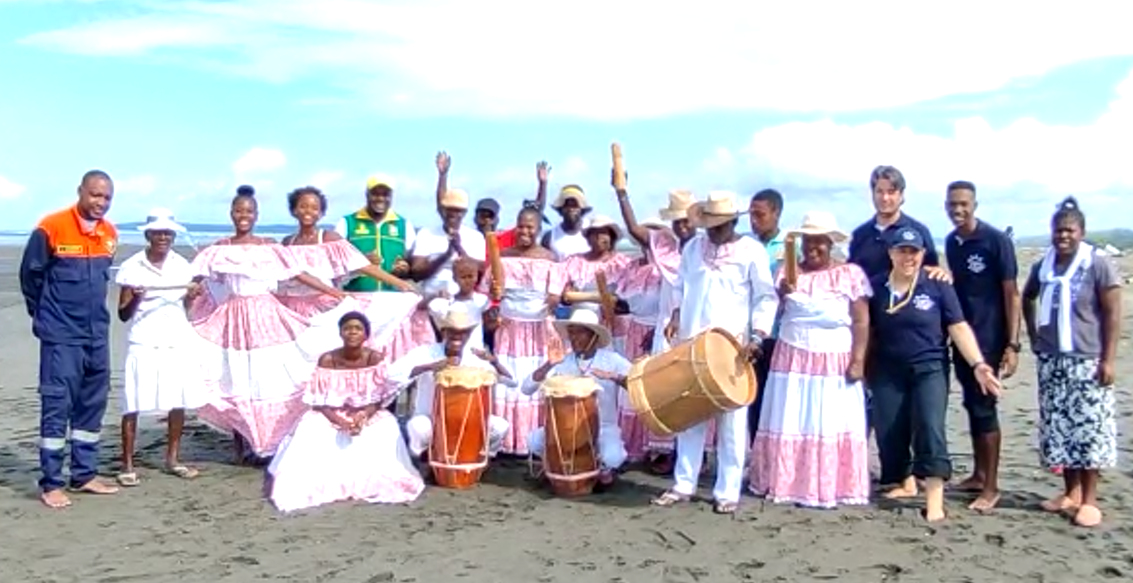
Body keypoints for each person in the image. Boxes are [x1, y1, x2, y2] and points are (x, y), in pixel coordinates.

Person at [189, 189, 344, 463]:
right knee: (234, 378)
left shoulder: (269, 245)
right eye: (238, 211)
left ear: (256, 215)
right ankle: (240, 445)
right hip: (233, 317)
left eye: (248, 211)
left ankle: (272, 440)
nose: (243, 216)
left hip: (266, 315)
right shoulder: (219, 248)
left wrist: (332, 293)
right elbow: (197, 278)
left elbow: (297, 273)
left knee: (270, 376)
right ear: (231, 214)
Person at [653, 191, 779, 514]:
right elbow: (681, 286)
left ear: (733, 222)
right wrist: (677, 316)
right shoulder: (694, 248)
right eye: (709, 224)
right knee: (690, 416)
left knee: (732, 422)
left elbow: (765, 297)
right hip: (693, 342)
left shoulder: (751, 251)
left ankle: (727, 491)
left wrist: (759, 336)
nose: (712, 230)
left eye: (719, 225)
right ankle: (684, 483)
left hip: (732, 347)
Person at [868, 226, 1001, 522]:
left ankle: (935, 499)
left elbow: (958, 326)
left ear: (922, 254)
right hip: (888, 369)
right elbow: (865, 329)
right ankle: (905, 482)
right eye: (901, 250)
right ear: (890, 253)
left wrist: (979, 364)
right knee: (890, 429)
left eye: (913, 252)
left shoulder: (936, 284)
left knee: (930, 426)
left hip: (929, 367)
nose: (908, 257)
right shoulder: (877, 287)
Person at [748, 211, 871, 508]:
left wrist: (858, 360)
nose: (814, 247)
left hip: (833, 361)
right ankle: (788, 482)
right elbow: (770, 313)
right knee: (792, 420)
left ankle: (832, 484)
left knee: (829, 422)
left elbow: (861, 321)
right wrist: (780, 293)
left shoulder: (850, 274)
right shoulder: (787, 273)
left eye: (821, 242)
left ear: (831, 244)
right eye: (809, 241)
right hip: (792, 360)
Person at [19, 170, 122, 508]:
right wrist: (44, 317)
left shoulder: (110, 234)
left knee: (92, 404)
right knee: (57, 405)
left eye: (106, 197)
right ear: (80, 191)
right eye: (95, 195)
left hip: (97, 334)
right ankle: (51, 483)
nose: (100, 203)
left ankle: (84, 474)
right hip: (61, 335)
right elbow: (30, 276)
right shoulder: (51, 227)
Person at [1022, 197, 1121, 528]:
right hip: (1053, 360)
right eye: (1057, 230)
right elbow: (1027, 297)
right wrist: (1035, 338)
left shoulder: (1097, 264)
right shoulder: (1045, 265)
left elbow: (1112, 312)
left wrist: (1108, 358)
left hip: (1087, 359)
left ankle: (1090, 500)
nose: (1062, 236)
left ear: (1081, 232)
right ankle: (1070, 492)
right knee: (1059, 429)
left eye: (1069, 230)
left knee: (1089, 430)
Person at [268, 312, 425, 512]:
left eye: (358, 329)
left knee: (387, 427)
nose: (352, 332)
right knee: (310, 428)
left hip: (366, 413)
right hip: (331, 414)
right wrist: (339, 421)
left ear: (366, 335)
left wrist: (363, 416)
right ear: (340, 333)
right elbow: (319, 402)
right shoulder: (328, 359)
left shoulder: (375, 358)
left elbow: (380, 398)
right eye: (347, 328)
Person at [113, 208, 207, 487]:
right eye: (158, 232)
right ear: (148, 234)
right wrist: (136, 298)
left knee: (177, 400)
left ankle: (173, 458)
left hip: (177, 338)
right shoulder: (132, 266)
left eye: (168, 232)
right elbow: (123, 314)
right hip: (143, 339)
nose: (163, 237)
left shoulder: (184, 266)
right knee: (133, 402)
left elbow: (187, 308)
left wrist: (192, 296)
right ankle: (127, 464)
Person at [943, 181, 1021, 511]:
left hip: (991, 338)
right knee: (971, 405)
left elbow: (1011, 293)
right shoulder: (952, 242)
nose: (958, 210)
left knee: (985, 407)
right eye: (952, 205)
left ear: (975, 205)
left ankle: (991, 487)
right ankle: (978, 474)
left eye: (963, 204)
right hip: (964, 338)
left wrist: (1013, 344)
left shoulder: (995, 241)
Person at [614, 183, 697, 471]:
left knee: (691, 391)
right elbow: (635, 229)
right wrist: (622, 193)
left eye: (687, 220)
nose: (683, 226)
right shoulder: (666, 247)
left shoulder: (704, 248)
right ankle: (662, 449)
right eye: (678, 221)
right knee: (665, 389)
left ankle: (687, 453)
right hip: (667, 326)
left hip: (697, 324)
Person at [477, 207, 564, 455]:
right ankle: (507, 442)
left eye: (530, 227)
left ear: (538, 229)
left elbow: (556, 293)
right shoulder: (501, 257)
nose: (525, 231)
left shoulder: (549, 259)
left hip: (538, 330)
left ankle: (532, 441)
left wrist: (556, 297)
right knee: (508, 382)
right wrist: (494, 300)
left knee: (536, 381)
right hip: (509, 329)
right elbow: (487, 293)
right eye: (521, 226)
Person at [390, 306, 515, 462]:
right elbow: (392, 375)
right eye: (452, 332)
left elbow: (512, 382)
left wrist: (495, 362)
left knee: (500, 427)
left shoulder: (476, 356)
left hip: (469, 420)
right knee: (417, 428)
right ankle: (425, 460)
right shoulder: (425, 352)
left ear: (468, 334)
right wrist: (429, 367)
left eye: (462, 333)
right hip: (431, 419)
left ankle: (481, 460)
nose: (457, 336)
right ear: (444, 332)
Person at [523, 308, 630, 486]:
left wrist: (614, 377)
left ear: (594, 336)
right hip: (565, 428)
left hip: (603, 426)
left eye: (580, 333)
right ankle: (557, 465)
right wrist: (549, 365)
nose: (574, 338)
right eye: (571, 333)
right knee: (534, 441)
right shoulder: (562, 361)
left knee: (613, 458)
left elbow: (636, 384)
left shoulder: (613, 360)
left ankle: (601, 468)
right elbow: (527, 388)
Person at [848, 166, 942, 280]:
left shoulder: (918, 231)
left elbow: (932, 271)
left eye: (891, 192)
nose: (885, 198)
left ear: (901, 195)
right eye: (879, 191)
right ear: (872, 194)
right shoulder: (860, 235)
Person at [747, 188, 788, 439]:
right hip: (748, 334)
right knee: (754, 398)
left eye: (759, 215)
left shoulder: (791, 247)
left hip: (779, 334)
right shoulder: (745, 246)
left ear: (776, 213)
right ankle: (755, 458)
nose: (753, 221)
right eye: (751, 215)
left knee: (778, 401)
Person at [334, 175, 417, 292]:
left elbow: (413, 262)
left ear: (391, 197)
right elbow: (334, 264)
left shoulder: (404, 225)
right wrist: (360, 261)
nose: (380, 198)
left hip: (394, 297)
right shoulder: (347, 223)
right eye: (375, 194)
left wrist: (405, 268)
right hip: (356, 296)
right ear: (366, 195)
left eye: (385, 195)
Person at [411, 187, 487, 298]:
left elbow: (481, 270)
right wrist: (446, 255)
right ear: (442, 210)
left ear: (465, 213)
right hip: (431, 296)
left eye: (458, 210)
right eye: (449, 209)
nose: (453, 214)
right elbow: (416, 273)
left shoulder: (476, 237)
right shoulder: (426, 233)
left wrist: (459, 248)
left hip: (462, 298)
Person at [425, 257, 490, 351]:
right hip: (450, 353)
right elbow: (425, 308)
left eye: (470, 276)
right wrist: (435, 295)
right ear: (455, 278)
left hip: (474, 353)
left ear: (476, 277)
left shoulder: (482, 301)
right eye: (463, 277)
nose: (467, 281)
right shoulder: (445, 303)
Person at [541, 185, 593, 261]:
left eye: (575, 206)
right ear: (560, 209)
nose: (571, 209)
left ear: (582, 209)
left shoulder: (593, 232)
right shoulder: (549, 237)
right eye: (567, 205)